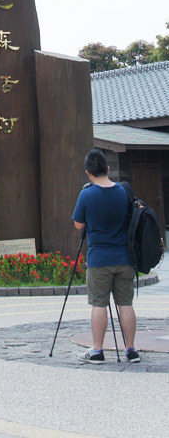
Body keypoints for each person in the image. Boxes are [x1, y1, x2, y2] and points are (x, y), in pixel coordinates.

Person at [72, 148, 140, 364]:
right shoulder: (123, 191)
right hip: (124, 257)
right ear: (108, 169)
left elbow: (78, 224)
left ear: (88, 173)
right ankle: (131, 349)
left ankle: (97, 350)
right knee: (125, 303)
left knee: (99, 304)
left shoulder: (86, 194)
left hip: (99, 259)